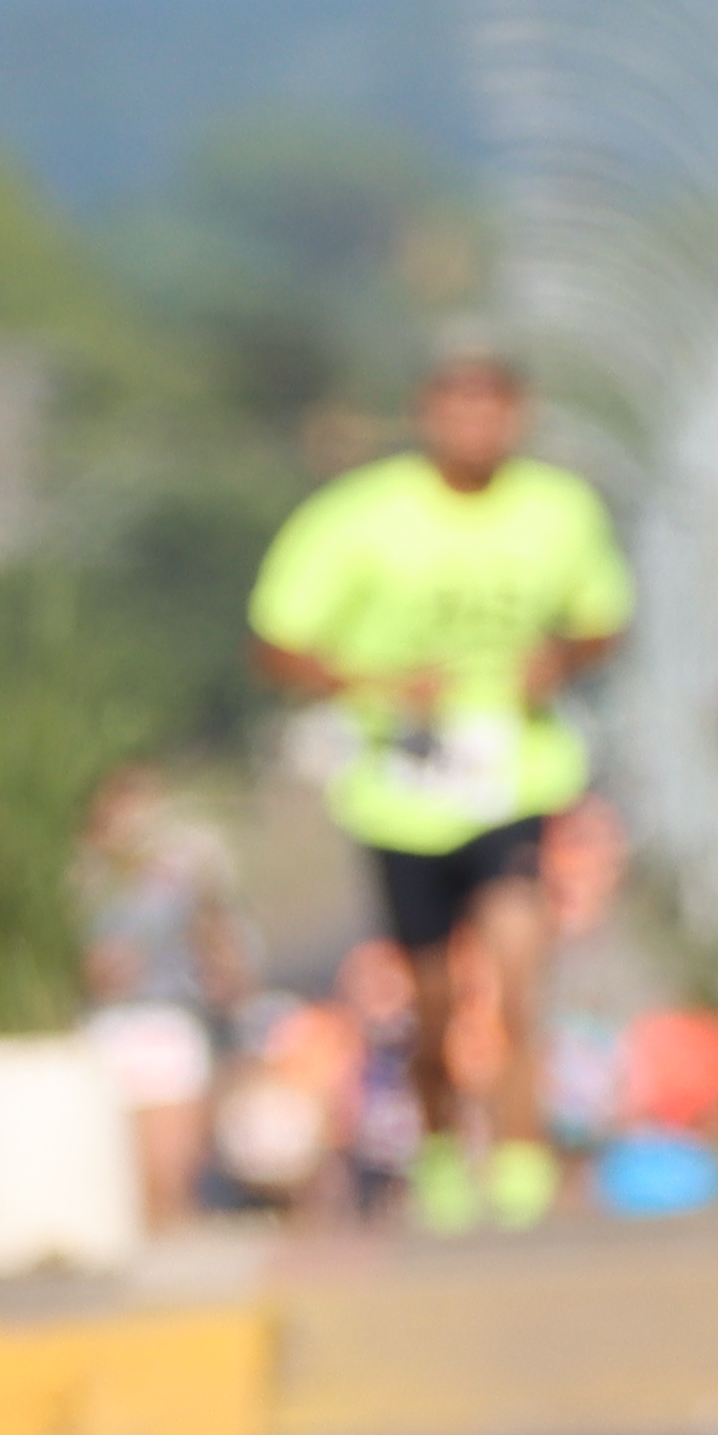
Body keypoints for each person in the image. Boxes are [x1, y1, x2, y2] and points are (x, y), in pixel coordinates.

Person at [246, 347, 628, 1238]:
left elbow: (602, 620)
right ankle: (446, 1142)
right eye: (458, 408)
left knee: (518, 967)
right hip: (402, 793)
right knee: (430, 998)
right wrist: (372, 686)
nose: (476, 428)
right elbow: (276, 641)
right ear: (425, 415)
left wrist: (558, 660)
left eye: (492, 409)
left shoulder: (559, 512)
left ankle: (526, 1161)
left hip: (513, 781)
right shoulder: (359, 519)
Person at [76, 764, 248, 1233]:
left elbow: (219, 937)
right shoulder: (80, 876)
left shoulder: (183, 869)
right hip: (107, 1028)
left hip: (172, 1018)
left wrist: (228, 978)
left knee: (172, 1171)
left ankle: (177, 1269)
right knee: (126, 1184)